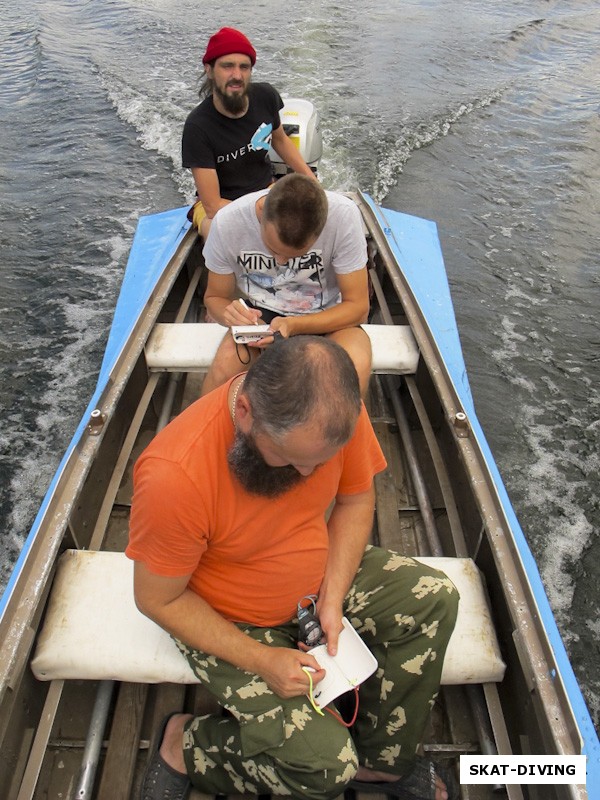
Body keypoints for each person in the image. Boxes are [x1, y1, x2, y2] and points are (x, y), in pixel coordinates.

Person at [127, 336, 459, 800]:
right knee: (325, 770)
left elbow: (356, 498)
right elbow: (156, 597)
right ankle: (189, 745)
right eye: (290, 459)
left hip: (315, 581)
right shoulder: (174, 476)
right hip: (231, 620)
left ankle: (383, 763)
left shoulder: (337, 414)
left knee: (433, 597)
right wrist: (262, 660)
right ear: (245, 412)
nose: (308, 474)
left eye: (318, 462)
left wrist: (333, 598)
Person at [200, 172, 373, 397]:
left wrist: (293, 325)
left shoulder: (344, 216)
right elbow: (214, 298)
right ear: (261, 214)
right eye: (273, 250)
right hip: (259, 317)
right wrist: (230, 314)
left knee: (351, 374)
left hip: (331, 317)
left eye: (295, 256)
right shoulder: (228, 222)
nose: (281, 262)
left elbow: (358, 308)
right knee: (224, 369)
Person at [182, 26, 317, 238]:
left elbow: (280, 140)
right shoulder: (197, 127)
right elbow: (212, 205)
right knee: (219, 232)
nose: (237, 75)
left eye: (244, 67)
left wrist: (311, 181)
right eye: (227, 66)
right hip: (219, 206)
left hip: (265, 191)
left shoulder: (266, 96)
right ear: (209, 70)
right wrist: (266, 214)